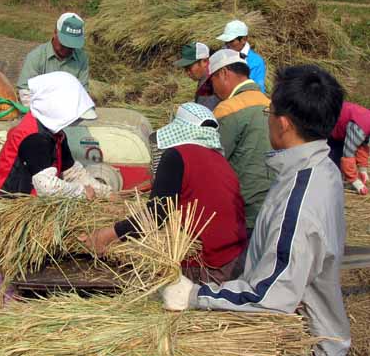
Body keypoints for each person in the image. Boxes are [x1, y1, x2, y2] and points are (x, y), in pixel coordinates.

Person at [161, 64, 351, 356]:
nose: (268, 120)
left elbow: (271, 296)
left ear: (284, 123)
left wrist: (195, 295)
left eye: (269, 112)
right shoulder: (322, 169)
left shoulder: (299, 200)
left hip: (306, 344)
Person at [0, 71, 112, 309]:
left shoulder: (55, 134)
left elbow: (72, 171)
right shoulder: (33, 138)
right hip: (0, 216)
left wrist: (104, 192)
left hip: (23, 212)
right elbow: (47, 186)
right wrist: (82, 194)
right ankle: (0, 327)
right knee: (2, 284)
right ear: (56, 108)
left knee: (19, 277)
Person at [79, 103, 248, 284]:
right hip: (235, 258)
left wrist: (105, 236)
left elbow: (156, 216)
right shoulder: (219, 159)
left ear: (180, 129)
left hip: (208, 264)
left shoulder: (178, 155)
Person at [209, 49, 272, 233]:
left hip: (245, 211)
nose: (213, 89)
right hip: (274, 204)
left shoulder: (228, 109)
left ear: (223, 73)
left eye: (212, 80)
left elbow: (214, 164)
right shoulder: (269, 103)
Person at [17, 12, 89, 107]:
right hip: (40, 110)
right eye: (64, 43)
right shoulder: (37, 57)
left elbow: (83, 93)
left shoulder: (82, 58)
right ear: (55, 33)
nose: (67, 49)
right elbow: (24, 91)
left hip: (69, 110)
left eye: (72, 46)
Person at [328, 101, 370, 195]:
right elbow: (348, 155)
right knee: (331, 162)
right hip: (324, 119)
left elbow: (363, 146)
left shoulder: (367, 124)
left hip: (340, 126)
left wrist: (363, 170)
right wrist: (355, 181)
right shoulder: (359, 129)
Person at [217, 20, 266, 92]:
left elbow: (259, 90)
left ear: (244, 39)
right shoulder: (221, 56)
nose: (227, 44)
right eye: (226, 41)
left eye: (231, 41)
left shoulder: (256, 62)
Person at [174, 42, 220, 111]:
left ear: (205, 61)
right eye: (185, 69)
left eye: (189, 68)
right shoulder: (214, 75)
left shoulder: (207, 88)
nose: (187, 72)